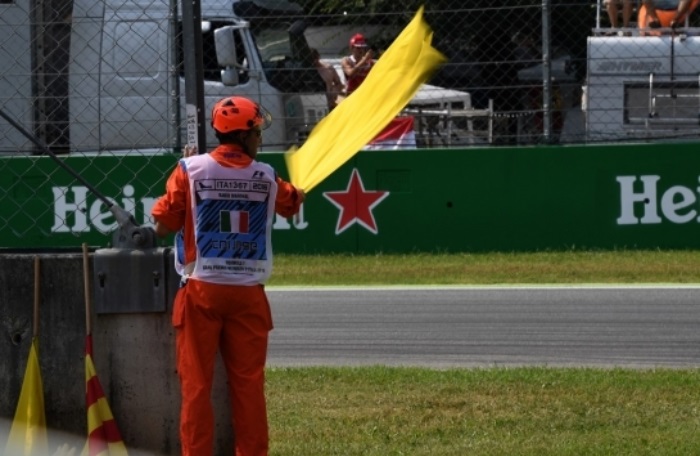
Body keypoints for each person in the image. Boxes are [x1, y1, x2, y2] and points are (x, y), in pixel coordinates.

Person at [151, 96, 305, 456]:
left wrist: (188, 172)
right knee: (248, 386)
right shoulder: (267, 175)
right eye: (257, 133)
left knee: (197, 386)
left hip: (202, 290)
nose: (260, 141)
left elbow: (161, 225)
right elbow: (291, 202)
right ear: (245, 135)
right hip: (248, 293)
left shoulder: (190, 169)